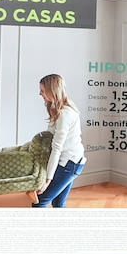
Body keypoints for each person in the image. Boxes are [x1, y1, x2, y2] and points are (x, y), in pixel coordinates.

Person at [32, 74, 86, 208]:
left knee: (39, 201)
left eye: (43, 91)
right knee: (58, 203)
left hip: (69, 164)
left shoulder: (64, 114)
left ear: (52, 90)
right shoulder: (58, 109)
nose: (40, 94)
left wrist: (47, 180)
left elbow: (57, 149)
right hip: (71, 162)